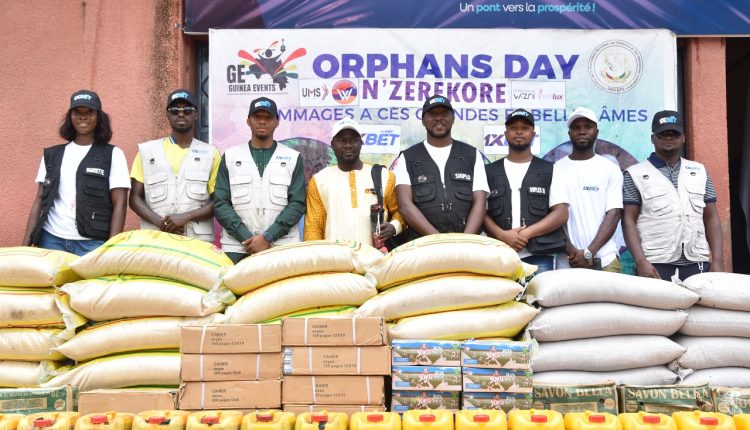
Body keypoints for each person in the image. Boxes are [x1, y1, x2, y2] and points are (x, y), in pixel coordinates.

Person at [22, 89, 130, 255]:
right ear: (70, 116)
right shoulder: (52, 155)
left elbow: (120, 204)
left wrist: (111, 249)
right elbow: (39, 200)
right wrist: (24, 247)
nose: (83, 117)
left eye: (89, 112)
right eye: (77, 112)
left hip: (92, 243)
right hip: (51, 239)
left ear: (99, 116)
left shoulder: (113, 154)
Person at [622, 110, 724, 280]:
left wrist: (718, 260)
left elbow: (711, 217)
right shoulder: (635, 174)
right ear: (653, 138)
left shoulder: (700, 171)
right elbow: (628, 221)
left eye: (674, 134)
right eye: (663, 134)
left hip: (697, 263)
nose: (669, 138)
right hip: (656, 264)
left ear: (683, 137)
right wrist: (640, 261)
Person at [213, 97, 305, 263]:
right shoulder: (231, 156)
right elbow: (221, 203)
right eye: (257, 117)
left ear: (277, 122)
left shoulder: (292, 157)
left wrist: (268, 237)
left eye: (268, 117)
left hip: (281, 246)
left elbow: (297, 203)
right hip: (238, 247)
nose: (262, 121)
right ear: (248, 121)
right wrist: (247, 238)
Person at [129, 89, 220, 241]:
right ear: (167, 114)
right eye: (175, 110)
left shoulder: (211, 154)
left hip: (197, 241)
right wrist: (162, 223)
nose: (181, 114)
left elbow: (219, 202)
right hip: (157, 238)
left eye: (187, 110)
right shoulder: (147, 152)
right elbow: (134, 199)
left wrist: (187, 216)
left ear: (196, 115)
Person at [483, 109, 568, 273]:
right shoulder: (489, 171)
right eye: (514, 128)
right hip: (498, 255)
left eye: (525, 128)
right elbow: (480, 211)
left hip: (539, 257)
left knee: (539, 292)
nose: (519, 132)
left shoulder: (550, 169)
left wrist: (526, 234)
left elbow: (561, 213)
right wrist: (502, 235)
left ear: (533, 134)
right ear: (505, 133)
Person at [393, 95, 488, 240]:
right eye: (432, 114)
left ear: (453, 119)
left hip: (466, 243)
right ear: (423, 120)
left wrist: (465, 240)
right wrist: (439, 240)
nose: (438, 118)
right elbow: (405, 206)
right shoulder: (408, 157)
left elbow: (480, 202)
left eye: (444, 113)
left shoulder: (472, 154)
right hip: (423, 243)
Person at [304, 118, 404, 246]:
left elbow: (401, 210)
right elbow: (313, 226)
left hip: (375, 256)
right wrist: (317, 254)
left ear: (361, 143)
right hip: (335, 256)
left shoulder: (383, 175)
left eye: (354, 140)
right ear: (332, 144)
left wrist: (394, 227)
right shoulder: (319, 181)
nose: (348, 145)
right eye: (341, 140)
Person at [555, 106, 623, 272]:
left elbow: (614, 214)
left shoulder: (610, 168)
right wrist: (573, 251)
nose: (582, 131)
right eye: (576, 128)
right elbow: (552, 216)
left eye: (588, 127)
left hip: (605, 259)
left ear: (596, 132)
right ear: (569, 133)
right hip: (568, 262)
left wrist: (589, 252)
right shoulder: (556, 169)